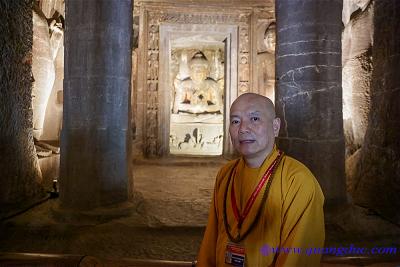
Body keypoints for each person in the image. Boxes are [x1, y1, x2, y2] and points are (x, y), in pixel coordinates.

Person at [197, 93, 325, 266]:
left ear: (275, 126)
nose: (243, 128)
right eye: (235, 121)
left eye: (255, 118)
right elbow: (211, 240)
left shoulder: (298, 181)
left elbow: (297, 257)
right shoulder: (225, 174)